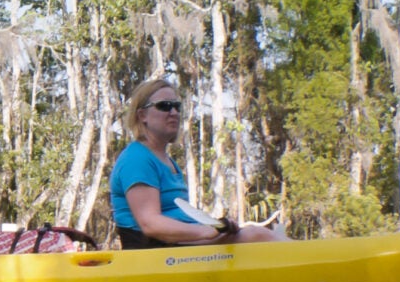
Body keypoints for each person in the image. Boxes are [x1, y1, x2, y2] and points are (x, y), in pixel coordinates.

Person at [109, 78, 284, 250]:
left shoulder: (166, 161)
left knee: (267, 235)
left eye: (176, 106)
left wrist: (217, 228)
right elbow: (150, 224)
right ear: (142, 115)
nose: (174, 112)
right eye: (164, 106)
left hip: (178, 248)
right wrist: (205, 231)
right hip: (157, 253)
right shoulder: (137, 159)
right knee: (257, 237)